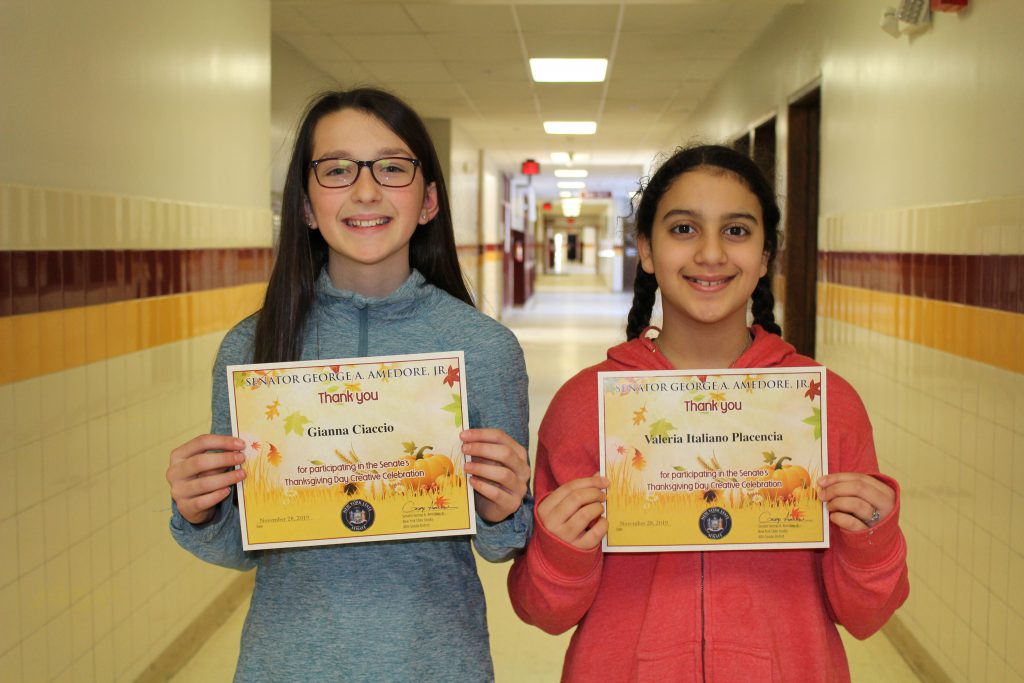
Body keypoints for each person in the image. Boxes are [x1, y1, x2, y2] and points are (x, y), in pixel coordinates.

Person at [166, 88, 532, 682]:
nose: (366, 191)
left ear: (429, 199)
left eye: (392, 168)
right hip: (287, 662)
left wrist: (503, 504)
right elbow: (239, 546)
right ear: (307, 206)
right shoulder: (252, 350)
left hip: (436, 662)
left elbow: (501, 544)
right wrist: (200, 509)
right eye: (336, 170)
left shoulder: (484, 349)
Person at [507, 144, 909, 682]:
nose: (712, 254)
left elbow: (867, 615)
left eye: (737, 231)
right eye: (684, 229)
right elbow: (543, 612)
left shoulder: (825, 407)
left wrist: (872, 542)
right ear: (645, 249)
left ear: (767, 255)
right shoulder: (587, 407)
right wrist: (558, 555)